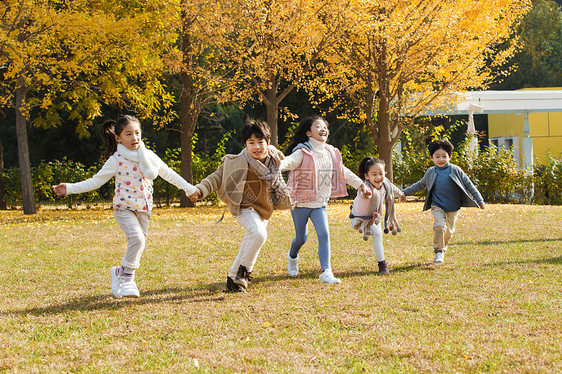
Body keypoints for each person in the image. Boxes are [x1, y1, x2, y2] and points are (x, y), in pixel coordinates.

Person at [52, 115, 198, 298]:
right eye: (128, 134)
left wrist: (189, 189)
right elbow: (95, 181)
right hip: (124, 208)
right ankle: (128, 280)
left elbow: (169, 173)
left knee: (139, 243)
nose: (134, 138)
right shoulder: (117, 160)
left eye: (137, 133)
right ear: (118, 138)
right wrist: (69, 189)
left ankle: (120, 272)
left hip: (144, 209)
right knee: (137, 239)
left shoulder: (149, 156)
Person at [190, 119, 291, 293]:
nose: (256, 147)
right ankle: (244, 273)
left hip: (264, 210)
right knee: (258, 234)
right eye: (251, 143)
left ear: (268, 143)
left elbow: (287, 179)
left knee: (249, 243)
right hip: (243, 208)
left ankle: (232, 280)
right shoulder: (236, 161)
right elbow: (216, 177)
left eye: (260, 142)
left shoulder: (275, 161)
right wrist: (200, 189)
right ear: (245, 145)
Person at [281, 115, 371, 284]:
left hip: (319, 203)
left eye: (325, 127)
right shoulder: (302, 152)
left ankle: (326, 271)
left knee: (324, 234)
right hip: (300, 202)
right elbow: (289, 162)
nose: (323, 129)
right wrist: (276, 164)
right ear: (308, 133)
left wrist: (361, 185)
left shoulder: (331, 152)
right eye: (318, 127)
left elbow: (343, 172)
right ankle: (292, 256)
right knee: (301, 238)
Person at [400, 139, 485, 265]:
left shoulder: (456, 170)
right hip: (437, 205)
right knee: (439, 226)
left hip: (453, 207)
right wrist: (404, 192)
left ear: (449, 156)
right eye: (437, 156)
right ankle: (438, 251)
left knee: (449, 232)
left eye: (444, 156)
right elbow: (420, 185)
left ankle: (442, 248)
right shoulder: (430, 172)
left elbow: (469, 185)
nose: (441, 159)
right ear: (432, 158)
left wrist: (480, 200)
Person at [349, 157, 404, 275]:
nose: (378, 177)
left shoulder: (385, 185)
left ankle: (382, 263)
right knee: (378, 233)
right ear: (367, 176)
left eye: (381, 173)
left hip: (374, 218)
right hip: (360, 219)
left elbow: (393, 189)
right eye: (374, 174)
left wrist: (401, 194)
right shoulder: (365, 186)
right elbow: (364, 192)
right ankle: (383, 265)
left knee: (378, 235)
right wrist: (366, 193)